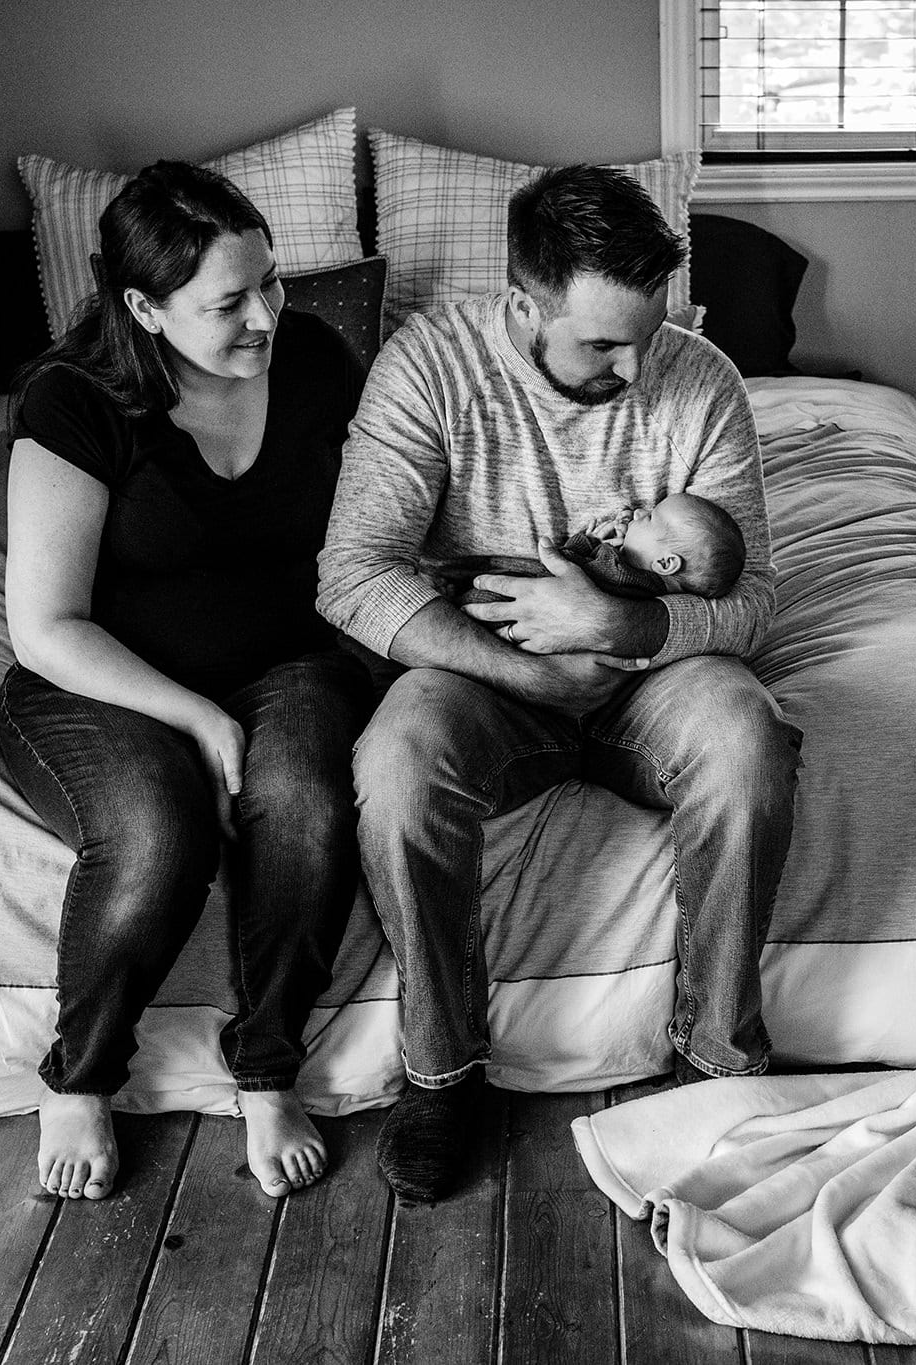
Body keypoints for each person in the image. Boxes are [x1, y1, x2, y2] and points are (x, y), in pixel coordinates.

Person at [317, 164, 803, 1204]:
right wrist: (525, 667)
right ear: (522, 301)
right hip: (485, 673)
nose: (634, 369)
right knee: (396, 761)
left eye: (647, 334)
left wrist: (619, 626)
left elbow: (755, 600)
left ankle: (718, 1061)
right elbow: (351, 576)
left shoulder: (700, 379)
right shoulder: (430, 365)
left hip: (652, 673)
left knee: (746, 741)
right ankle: (441, 1071)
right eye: (600, 342)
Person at [0, 160, 374, 1202]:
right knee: (162, 833)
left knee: (302, 804)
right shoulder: (72, 401)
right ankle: (79, 1077)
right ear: (144, 308)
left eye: (271, 284)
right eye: (227, 303)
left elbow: (377, 520)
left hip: (288, 661)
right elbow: (46, 626)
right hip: (101, 681)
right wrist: (197, 718)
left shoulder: (313, 358)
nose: (264, 316)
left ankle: (263, 1067)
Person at [420, 490, 748, 605]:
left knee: (488, 588)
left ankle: (452, 593)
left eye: (650, 518)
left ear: (665, 564)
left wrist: (589, 541)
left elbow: (571, 566)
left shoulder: (625, 576)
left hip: (525, 602)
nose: (637, 512)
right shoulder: (643, 582)